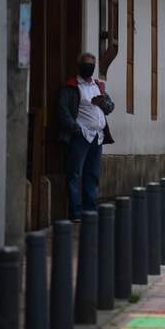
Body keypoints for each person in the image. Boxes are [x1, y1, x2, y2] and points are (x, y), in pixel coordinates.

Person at [56, 53, 115, 222]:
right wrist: (76, 129)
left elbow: (110, 107)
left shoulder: (98, 86)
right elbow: (62, 110)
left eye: (92, 64)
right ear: (80, 65)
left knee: (93, 174)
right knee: (75, 174)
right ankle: (75, 212)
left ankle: (90, 210)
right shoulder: (71, 87)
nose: (89, 67)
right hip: (81, 137)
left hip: (97, 137)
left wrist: (102, 102)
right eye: (87, 64)